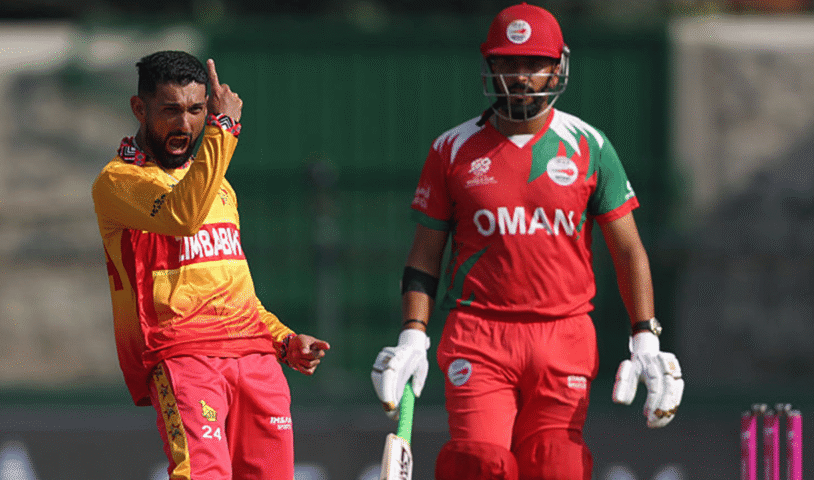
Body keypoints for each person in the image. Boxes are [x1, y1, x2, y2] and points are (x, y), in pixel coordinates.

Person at [371, 4, 684, 480]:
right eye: (509, 63)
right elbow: (425, 255)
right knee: (482, 464)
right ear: (490, 65)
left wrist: (645, 336)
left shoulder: (589, 145)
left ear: (558, 65)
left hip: (564, 335)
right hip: (479, 335)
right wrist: (413, 333)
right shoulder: (451, 148)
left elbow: (627, 250)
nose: (521, 76)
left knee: (556, 465)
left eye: (534, 63)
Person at [92, 50, 330, 480]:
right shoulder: (118, 183)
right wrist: (225, 128)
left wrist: (284, 339)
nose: (185, 124)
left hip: (256, 359)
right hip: (184, 357)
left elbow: (237, 292)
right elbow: (181, 216)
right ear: (139, 108)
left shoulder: (219, 188)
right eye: (171, 110)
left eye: (197, 110)